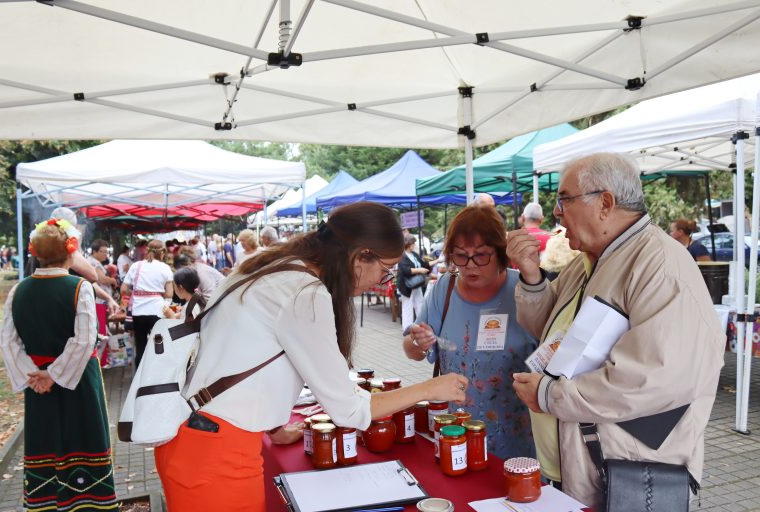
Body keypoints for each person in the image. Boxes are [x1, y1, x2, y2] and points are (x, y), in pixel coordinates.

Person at [154, 202, 468, 511]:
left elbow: (238, 353)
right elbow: (349, 410)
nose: (381, 281)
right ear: (361, 257)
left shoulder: (274, 264)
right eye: (385, 270)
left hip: (198, 439)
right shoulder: (305, 292)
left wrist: (274, 428)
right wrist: (430, 388)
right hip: (215, 456)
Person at [506, 153, 724, 507]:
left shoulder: (660, 266)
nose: (557, 211)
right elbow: (549, 328)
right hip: (579, 463)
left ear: (605, 203)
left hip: (623, 472)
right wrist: (531, 276)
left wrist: (550, 396)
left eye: (564, 199)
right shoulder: (589, 260)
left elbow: (654, 378)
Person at [0, 218, 118, 511]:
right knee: (84, 434)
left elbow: (8, 341)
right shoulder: (79, 287)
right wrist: (54, 375)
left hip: (38, 383)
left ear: (36, 253)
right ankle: (89, 501)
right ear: (71, 252)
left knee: (45, 437)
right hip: (78, 380)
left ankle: (47, 501)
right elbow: (84, 339)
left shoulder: (19, 290)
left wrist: (35, 377)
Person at [403, 204, 538, 461]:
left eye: (481, 255)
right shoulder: (445, 287)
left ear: (500, 253)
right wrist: (418, 340)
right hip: (456, 436)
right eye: (461, 256)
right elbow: (411, 350)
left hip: (518, 442)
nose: (470, 265)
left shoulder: (527, 290)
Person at [121, 239, 174, 367]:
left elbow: (123, 289)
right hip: (158, 311)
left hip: (138, 312)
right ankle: (158, 374)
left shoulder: (136, 266)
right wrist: (156, 293)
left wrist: (137, 294)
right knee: (160, 344)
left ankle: (140, 380)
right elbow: (169, 294)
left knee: (140, 347)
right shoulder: (165, 268)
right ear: (162, 253)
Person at [397, 234, 431, 331]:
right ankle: (407, 330)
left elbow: (425, 264)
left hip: (416, 284)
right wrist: (419, 270)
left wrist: (438, 261)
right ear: (408, 244)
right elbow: (405, 270)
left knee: (420, 305)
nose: (414, 245)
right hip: (406, 285)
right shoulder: (402, 256)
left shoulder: (414, 254)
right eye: (413, 243)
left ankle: (421, 327)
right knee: (407, 307)